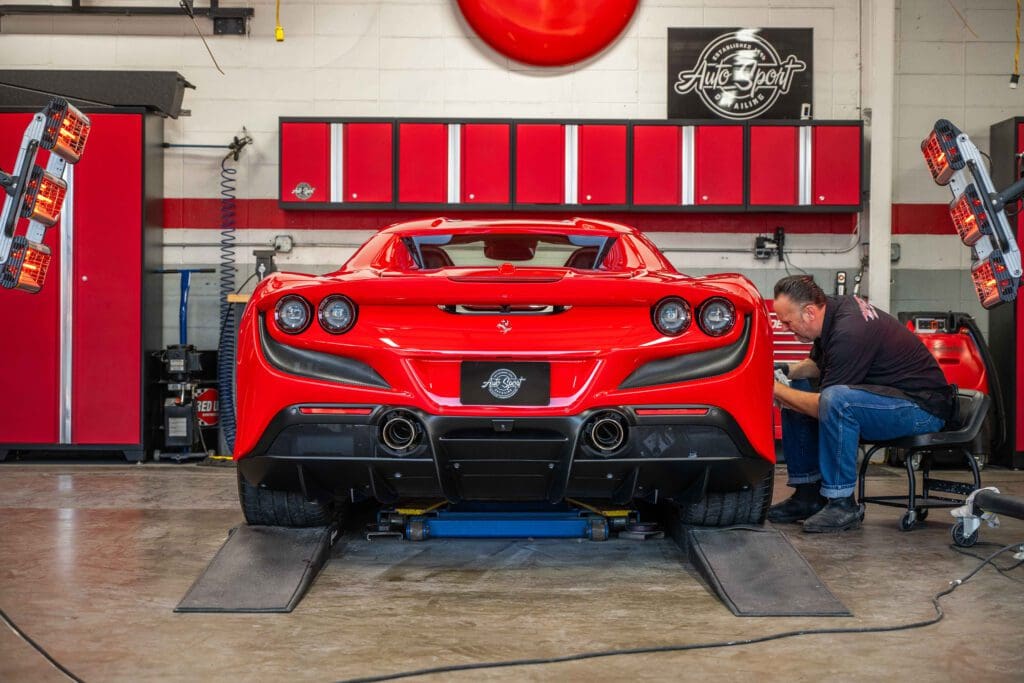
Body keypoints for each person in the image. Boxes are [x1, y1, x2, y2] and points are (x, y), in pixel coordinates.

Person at [769, 275, 958, 533]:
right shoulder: (832, 313)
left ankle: (842, 503)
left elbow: (825, 405)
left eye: (787, 322)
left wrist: (774, 389)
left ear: (809, 312)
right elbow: (817, 365)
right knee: (797, 388)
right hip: (891, 400)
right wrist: (782, 371)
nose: (783, 328)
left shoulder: (850, 331)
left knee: (836, 401)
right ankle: (808, 496)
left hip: (922, 410)